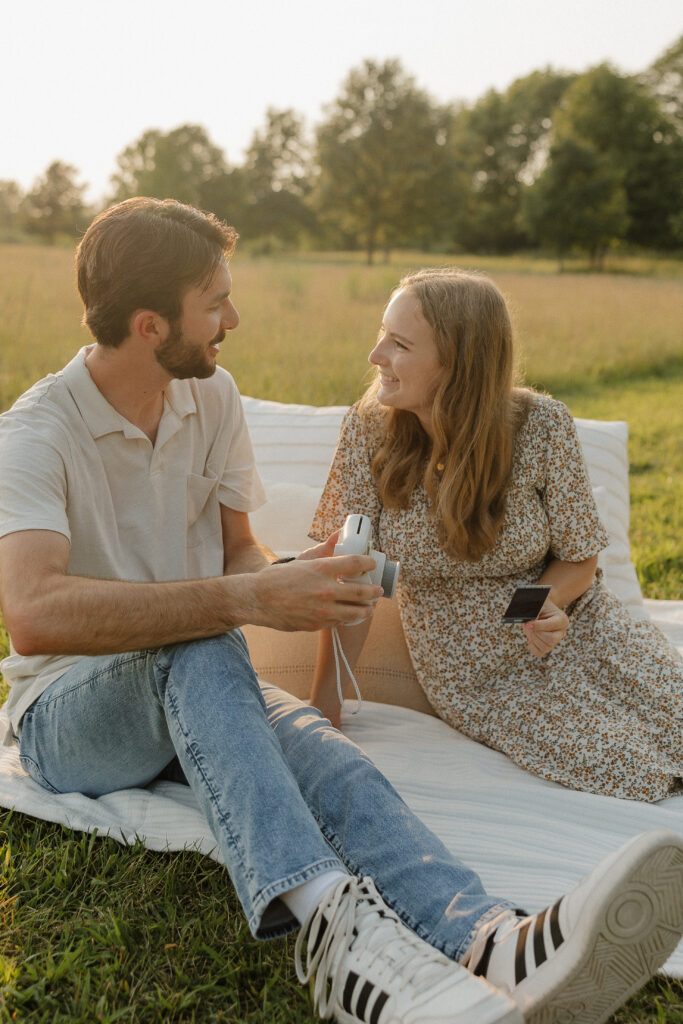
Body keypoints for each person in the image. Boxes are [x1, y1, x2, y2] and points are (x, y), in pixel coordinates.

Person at [0, 200, 681, 1024]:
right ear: (150, 324)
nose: (234, 319)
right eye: (215, 302)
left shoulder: (209, 400)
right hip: (68, 716)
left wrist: (293, 577)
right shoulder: (36, 434)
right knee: (204, 640)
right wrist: (245, 597)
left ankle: (489, 939)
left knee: (329, 756)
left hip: (193, 681)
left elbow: (238, 555)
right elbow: (33, 614)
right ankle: (339, 940)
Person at [309, 268, 683, 803]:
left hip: (582, 628)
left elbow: (580, 560)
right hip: (480, 676)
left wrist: (540, 606)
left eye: (399, 343)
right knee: (623, 762)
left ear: (457, 363)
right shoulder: (367, 430)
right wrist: (326, 707)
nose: (375, 356)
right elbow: (351, 575)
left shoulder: (543, 426)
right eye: (381, 334)